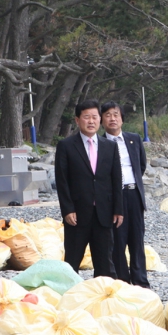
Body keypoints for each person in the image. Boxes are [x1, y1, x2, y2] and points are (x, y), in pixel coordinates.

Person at [55, 100, 123, 277]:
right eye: (87, 117)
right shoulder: (66, 146)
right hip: (77, 214)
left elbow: (116, 180)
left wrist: (118, 209)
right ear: (77, 120)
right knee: (72, 262)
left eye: (95, 117)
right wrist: (67, 209)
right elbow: (62, 181)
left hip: (104, 213)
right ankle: (68, 297)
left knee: (105, 262)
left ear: (100, 120)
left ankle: (103, 298)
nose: (91, 121)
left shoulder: (110, 146)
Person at [101, 101, 149, 287]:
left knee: (137, 239)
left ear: (122, 118)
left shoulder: (134, 138)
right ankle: (122, 282)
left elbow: (141, 165)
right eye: (108, 115)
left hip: (134, 194)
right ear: (102, 120)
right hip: (114, 197)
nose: (112, 118)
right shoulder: (100, 143)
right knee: (117, 240)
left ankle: (141, 282)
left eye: (116, 114)